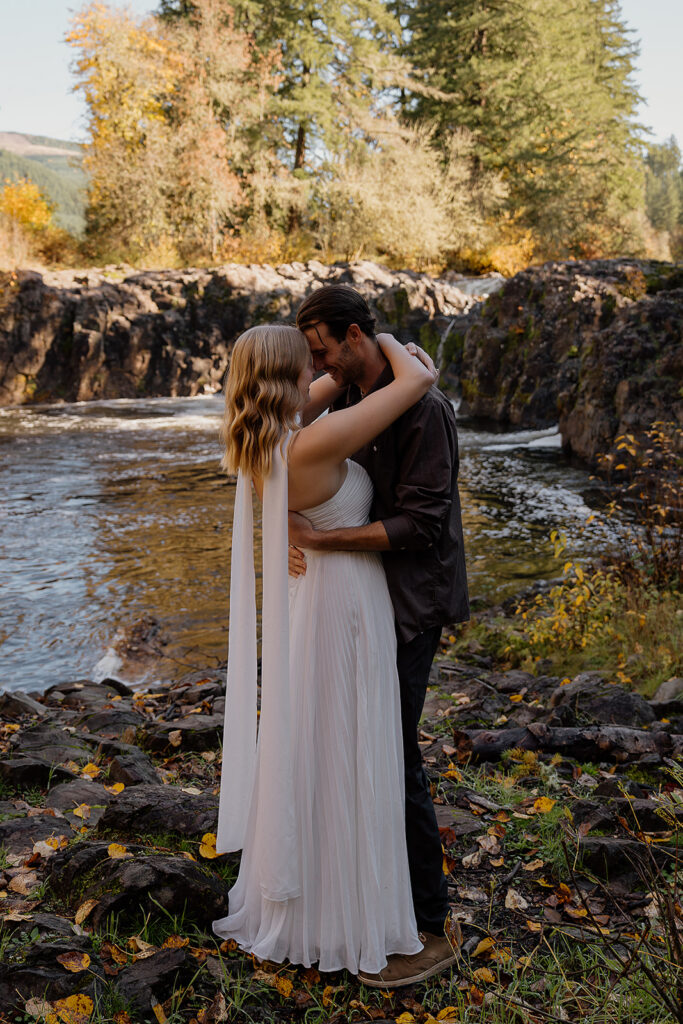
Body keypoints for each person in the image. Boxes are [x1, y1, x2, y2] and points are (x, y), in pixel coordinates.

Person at [212, 323, 437, 978]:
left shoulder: (264, 439)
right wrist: (386, 336)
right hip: (340, 611)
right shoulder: (312, 443)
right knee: (345, 751)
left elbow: (328, 387)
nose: (320, 366)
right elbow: (417, 379)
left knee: (316, 747)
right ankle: (345, 914)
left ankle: (315, 897)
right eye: (307, 360)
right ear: (291, 374)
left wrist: (340, 362)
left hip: (310, 608)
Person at [288, 285, 469, 988]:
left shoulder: (420, 408)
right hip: (360, 604)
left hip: (409, 604)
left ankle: (429, 926)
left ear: (356, 334)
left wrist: (323, 540)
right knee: (360, 751)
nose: (314, 363)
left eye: (322, 348)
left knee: (394, 759)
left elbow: (422, 524)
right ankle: (366, 897)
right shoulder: (348, 399)